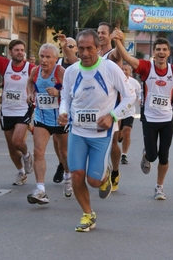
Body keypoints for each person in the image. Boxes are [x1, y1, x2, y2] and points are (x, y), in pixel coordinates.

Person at [58, 29, 135, 232]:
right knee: (76, 174)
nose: (84, 53)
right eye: (80, 48)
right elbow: (65, 97)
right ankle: (87, 214)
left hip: (102, 133)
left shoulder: (110, 69)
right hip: (77, 131)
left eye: (89, 48)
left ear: (99, 48)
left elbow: (130, 96)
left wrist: (113, 116)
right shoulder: (72, 71)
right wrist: (63, 112)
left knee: (93, 181)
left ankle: (105, 174)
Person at [113, 30, 173, 200]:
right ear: (154, 53)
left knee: (164, 156)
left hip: (167, 119)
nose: (161, 52)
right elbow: (127, 58)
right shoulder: (147, 68)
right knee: (153, 155)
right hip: (149, 118)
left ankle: (159, 187)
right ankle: (146, 155)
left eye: (164, 49)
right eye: (158, 50)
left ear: (169, 53)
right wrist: (118, 41)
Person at [0, 21, 34, 186]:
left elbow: (38, 85)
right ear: (10, 52)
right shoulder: (5, 64)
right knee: (11, 146)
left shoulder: (31, 68)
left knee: (18, 141)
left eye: (22, 50)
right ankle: (21, 171)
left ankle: (26, 156)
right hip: (7, 110)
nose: (20, 53)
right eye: (16, 50)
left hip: (23, 109)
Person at [26, 43, 70, 204]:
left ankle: (67, 176)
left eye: (48, 57)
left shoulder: (61, 72)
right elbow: (30, 82)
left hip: (60, 119)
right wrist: (30, 93)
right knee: (38, 152)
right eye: (42, 56)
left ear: (55, 59)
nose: (44, 60)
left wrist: (59, 92)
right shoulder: (35, 71)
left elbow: (72, 91)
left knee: (64, 153)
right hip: (41, 117)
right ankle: (40, 189)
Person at [97, 22, 123, 191]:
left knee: (113, 143)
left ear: (110, 35)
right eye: (98, 32)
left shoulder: (112, 54)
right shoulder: (92, 53)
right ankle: (102, 173)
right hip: (96, 104)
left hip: (114, 104)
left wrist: (119, 42)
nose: (100, 35)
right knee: (97, 142)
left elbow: (118, 54)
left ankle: (114, 171)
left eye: (103, 33)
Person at [52, 34, 79, 184]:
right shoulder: (58, 63)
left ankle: (71, 167)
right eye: (65, 45)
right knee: (57, 140)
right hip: (59, 106)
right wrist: (58, 91)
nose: (67, 48)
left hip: (76, 107)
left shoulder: (79, 64)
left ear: (76, 49)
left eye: (70, 46)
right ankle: (62, 163)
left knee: (69, 141)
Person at [119, 61, 141, 167]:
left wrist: (140, 100)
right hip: (117, 112)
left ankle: (124, 154)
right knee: (118, 136)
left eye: (126, 70)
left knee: (127, 131)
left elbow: (140, 93)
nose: (124, 71)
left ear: (130, 71)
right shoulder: (116, 82)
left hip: (129, 112)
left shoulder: (134, 83)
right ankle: (120, 137)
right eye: (122, 69)